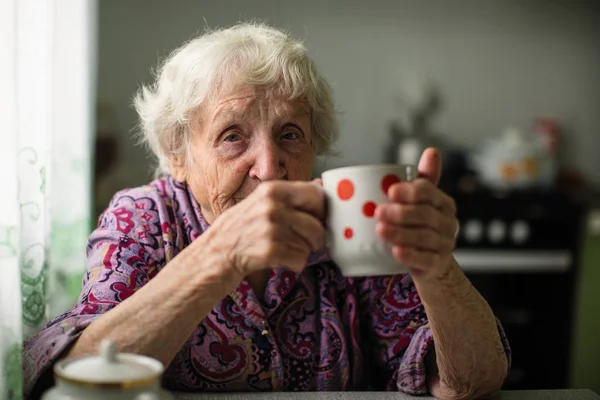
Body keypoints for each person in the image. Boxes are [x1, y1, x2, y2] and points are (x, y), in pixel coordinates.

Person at [23, 22, 510, 399]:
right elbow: (74, 375)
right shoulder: (144, 218)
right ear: (178, 155)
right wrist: (222, 255)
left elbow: (469, 384)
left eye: (289, 135)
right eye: (232, 135)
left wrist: (437, 267)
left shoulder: (350, 220)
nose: (270, 165)